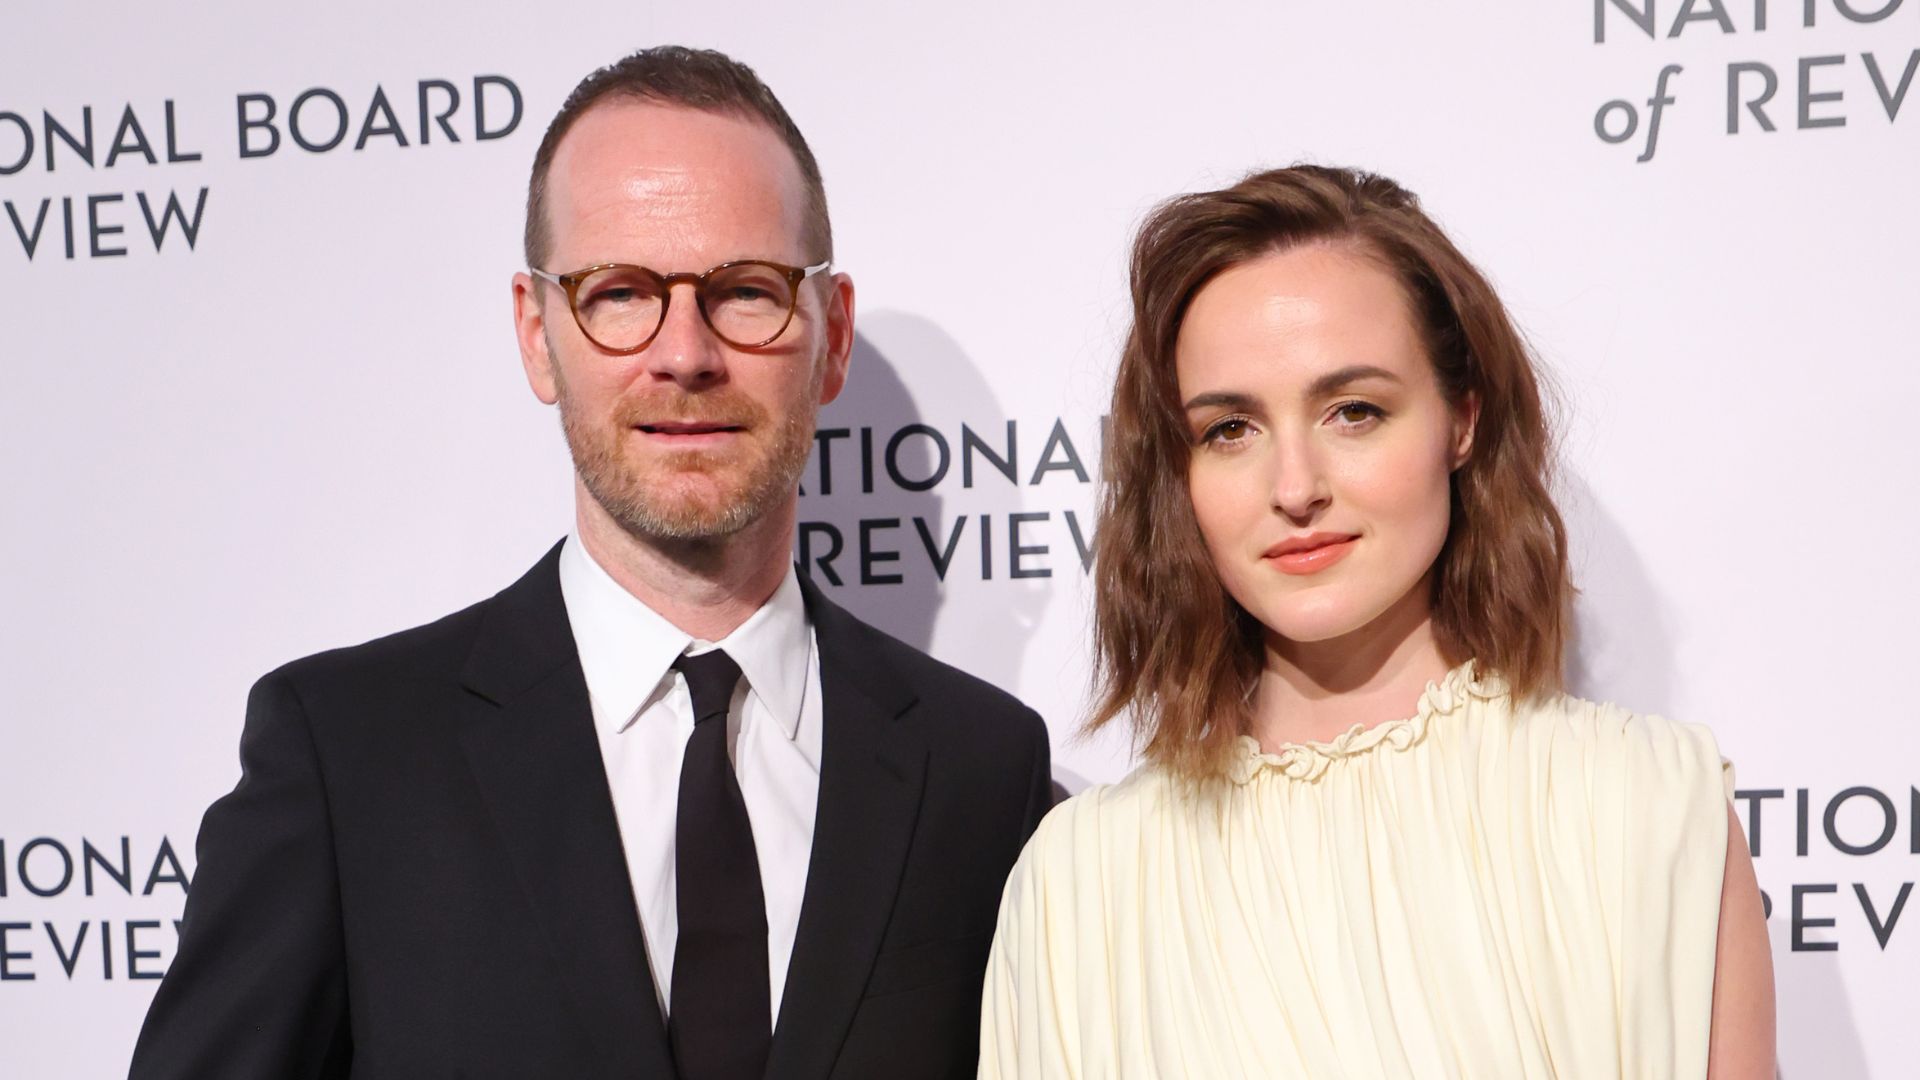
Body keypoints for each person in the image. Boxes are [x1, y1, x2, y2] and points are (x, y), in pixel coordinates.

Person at [129, 46, 1052, 1080]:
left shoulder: (985, 772)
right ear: (538, 334)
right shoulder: (348, 758)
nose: (686, 353)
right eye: (620, 294)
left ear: (830, 337)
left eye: (747, 292)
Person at [979, 166, 1773, 1077]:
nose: (1295, 488)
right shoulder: (1078, 886)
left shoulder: (1653, 804)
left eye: (1354, 412)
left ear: (1461, 421)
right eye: (1231, 429)